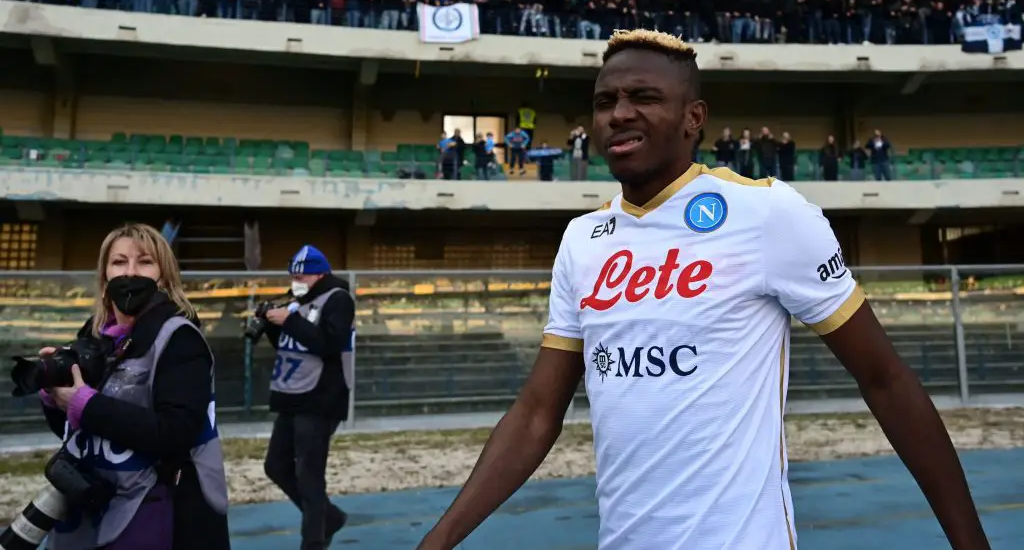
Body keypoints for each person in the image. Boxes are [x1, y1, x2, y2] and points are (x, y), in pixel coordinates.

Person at [415, 29, 991, 550]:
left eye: (643, 97)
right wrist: (440, 539)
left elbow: (885, 379)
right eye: (604, 101)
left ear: (694, 118)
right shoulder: (583, 240)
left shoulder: (767, 213)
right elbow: (539, 411)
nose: (618, 113)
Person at [39, 223, 230, 550]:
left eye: (144, 262)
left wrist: (86, 404)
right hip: (97, 503)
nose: (130, 272)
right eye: (119, 262)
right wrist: (55, 397)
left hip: (161, 507)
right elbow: (85, 434)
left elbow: (175, 432)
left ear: (164, 275)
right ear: (104, 275)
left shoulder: (180, 338)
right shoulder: (95, 337)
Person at [262, 245, 355, 550]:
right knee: (276, 465)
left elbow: (328, 342)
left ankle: (314, 541)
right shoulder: (299, 301)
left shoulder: (338, 299)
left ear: (320, 274)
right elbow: (294, 345)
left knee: (309, 475)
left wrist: (289, 320)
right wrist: (269, 324)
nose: (296, 281)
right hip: (292, 394)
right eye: (293, 275)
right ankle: (328, 517)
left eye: (301, 275)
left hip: (320, 397)